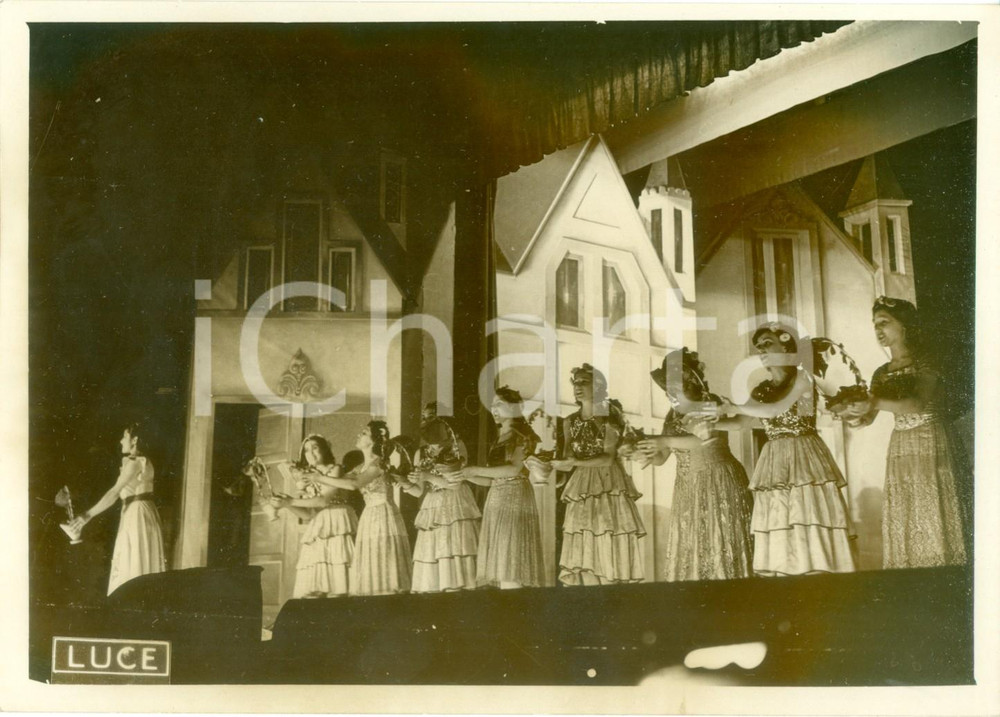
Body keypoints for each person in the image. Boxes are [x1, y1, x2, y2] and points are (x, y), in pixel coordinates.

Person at [715, 324, 855, 577]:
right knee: (782, 522)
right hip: (775, 459)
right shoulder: (762, 389)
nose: (762, 350)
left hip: (804, 454)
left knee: (808, 517)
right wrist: (710, 422)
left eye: (768, 343)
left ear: (786, 346)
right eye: (759, 347)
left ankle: (818, 579)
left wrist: (733, 406)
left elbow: (774, 410)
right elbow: (740, 423)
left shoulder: (802, 377)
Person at [839, 297, 968, 568]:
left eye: (884, 322)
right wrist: (850, 413)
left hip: (932, 439)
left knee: (934, 508)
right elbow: (867, 418)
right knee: (909, 511)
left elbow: (917, 404)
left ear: (905, 325)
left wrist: (872, 402)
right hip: (901, 447)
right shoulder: (881, 373)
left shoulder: (927, 361)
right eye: (875, 324)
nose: (878, 329)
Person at [635, 349, 753, 581]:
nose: (668, 391)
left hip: (716, 481)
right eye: (666, 386)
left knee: (720, 539)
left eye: (673, 384)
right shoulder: (672, 415)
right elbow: (662, 457)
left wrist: (664, 440)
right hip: (687, 488)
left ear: (689, 381)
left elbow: (705, 440)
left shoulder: (709, 402)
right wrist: (645, 452)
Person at [554, 364, 645, 586]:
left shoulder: (608, 417)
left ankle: (610, 593)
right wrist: (552, 467)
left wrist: (573, 463)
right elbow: (568, 458)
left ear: (597, 386)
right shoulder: (569, 421)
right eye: (575, 382)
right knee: (584, 543)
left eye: (584, 382)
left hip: (607, 482)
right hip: (581, 485)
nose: (578, 387)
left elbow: (608, 458)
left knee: (606, 539)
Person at [447, 387, 545, 589]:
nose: (493, 410)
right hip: (496, 499)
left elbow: (514, 469)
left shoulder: (523, 435)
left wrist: (474, 469)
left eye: (498, 404)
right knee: (501, 563)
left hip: (515, 497)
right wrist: (466, 476)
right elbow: (492, 480)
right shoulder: (499, 438)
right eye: (492, 406)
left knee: (511, 561)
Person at [70, 423, 166, 595]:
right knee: (136, 561)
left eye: (125, 436)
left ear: (135, 440)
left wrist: (86, 516)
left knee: (135, 563)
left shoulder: (136, 463)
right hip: (139, 512)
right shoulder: (139, 461)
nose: (121, 441)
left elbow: (114, 493)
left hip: (138, 515)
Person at [271, 434, 357, 598]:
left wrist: (292, 500)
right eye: (306, 450)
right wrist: (286, 504)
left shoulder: (335, 469)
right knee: (317, 586)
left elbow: (323, 501)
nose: (311, 453)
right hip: (319, 525)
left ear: (325, 450)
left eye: (315, 448)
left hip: (338, 521)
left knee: (339, 579)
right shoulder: (307, 477)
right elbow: (308, 515)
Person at [406, 416, 481, 592]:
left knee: (454, 547)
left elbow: (454, 483)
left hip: (455, 501)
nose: (434, 447)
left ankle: (456, 590)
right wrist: (406, 484)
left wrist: (427, 476)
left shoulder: (456, 445)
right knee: (434, 551)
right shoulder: (420, 453)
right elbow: (418, 491)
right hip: (432, 503)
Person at [341, 421, 413, 596]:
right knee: (370, 562)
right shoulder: (359, 468)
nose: (359, 435)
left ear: (374, 440)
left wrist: (318, 477)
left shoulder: (379, 464)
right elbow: (341, 481)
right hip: (368, 516)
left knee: (385, 560)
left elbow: (354, 484)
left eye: (364, 433)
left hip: (383, 514)